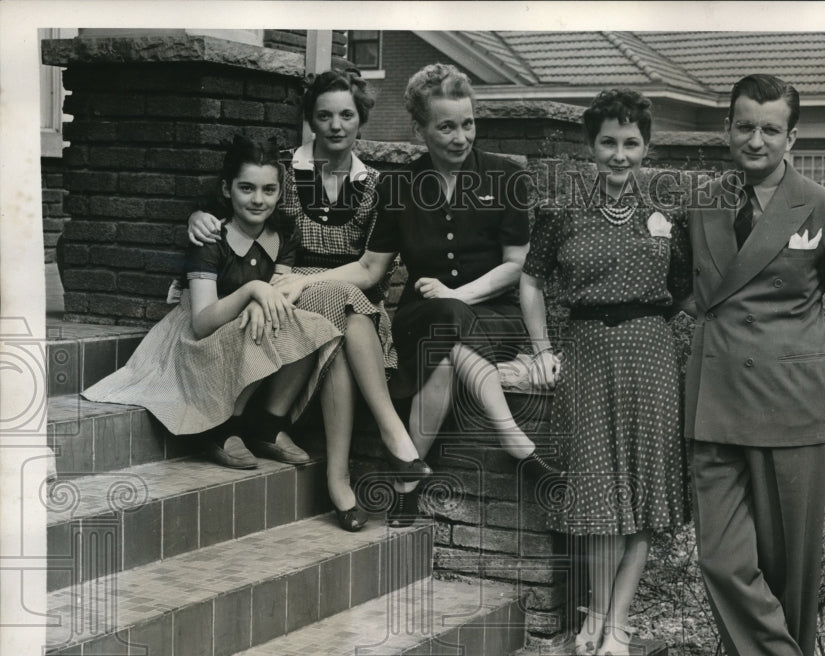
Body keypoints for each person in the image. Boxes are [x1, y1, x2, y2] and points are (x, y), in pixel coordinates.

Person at [685, 74, 825, 656]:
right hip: (715, 405)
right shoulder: (702, 207)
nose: (756, 139)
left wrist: (824, 393)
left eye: (771, 128)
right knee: (721, 559)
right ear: (727, 130)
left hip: (794, 412)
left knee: (787, 568)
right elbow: (688, 291)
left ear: (793, 137)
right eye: (744, 126)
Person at [188, 69, 428, 531]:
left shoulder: (379, 186)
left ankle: (339, 479)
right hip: (285, 296)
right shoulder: (278, 170)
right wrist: (197, 215)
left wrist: (309, 282)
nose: (336, 125)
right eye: (324, 116)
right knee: (337, 314)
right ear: (310, 121)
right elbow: (224, 202)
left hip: (351, 298)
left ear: (361, 120)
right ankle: (384, 445)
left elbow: (373, 271)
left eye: (346, 115)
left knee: (341, 309)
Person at [338, 63, 559, 526]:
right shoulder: (398, 187)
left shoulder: (506, 177)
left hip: (493, 315)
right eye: (446, 127)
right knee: (442, 326)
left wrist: (457, 293)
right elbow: (371, 268)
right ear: (419, 129)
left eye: (468, 123)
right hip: (421, 316)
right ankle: (512, 438)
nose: (461, 137)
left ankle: (405, 484)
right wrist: (303, 281)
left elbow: (518, 265)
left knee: (442, 355)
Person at [520, 89, 690, 656]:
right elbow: (532, 282)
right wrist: (543, 349)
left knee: (641, 494)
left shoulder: (667, 210)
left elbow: (686, 286)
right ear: (591, 146)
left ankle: (616, 621)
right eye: (609, 143)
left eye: (631, 143)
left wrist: (652, 324)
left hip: (650, 354)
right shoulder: (563, 209)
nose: (620, 155)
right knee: (596, 491)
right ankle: (594, 614)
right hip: (587, 353)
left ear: (646, 146)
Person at [84, 135, 339, 469]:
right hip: (196, 340)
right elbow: (202, 322)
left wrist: (261, 298)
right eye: (246, 188)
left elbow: (277, 291)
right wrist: (251, 292)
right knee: (254, 320)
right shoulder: (211, 237)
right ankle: (223, 428)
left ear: (280, 192)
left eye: (269, 190)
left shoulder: (285, 233)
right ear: (226, 190)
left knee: (310, 325)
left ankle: (268, 424)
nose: (258, 199)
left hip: (245, 327)